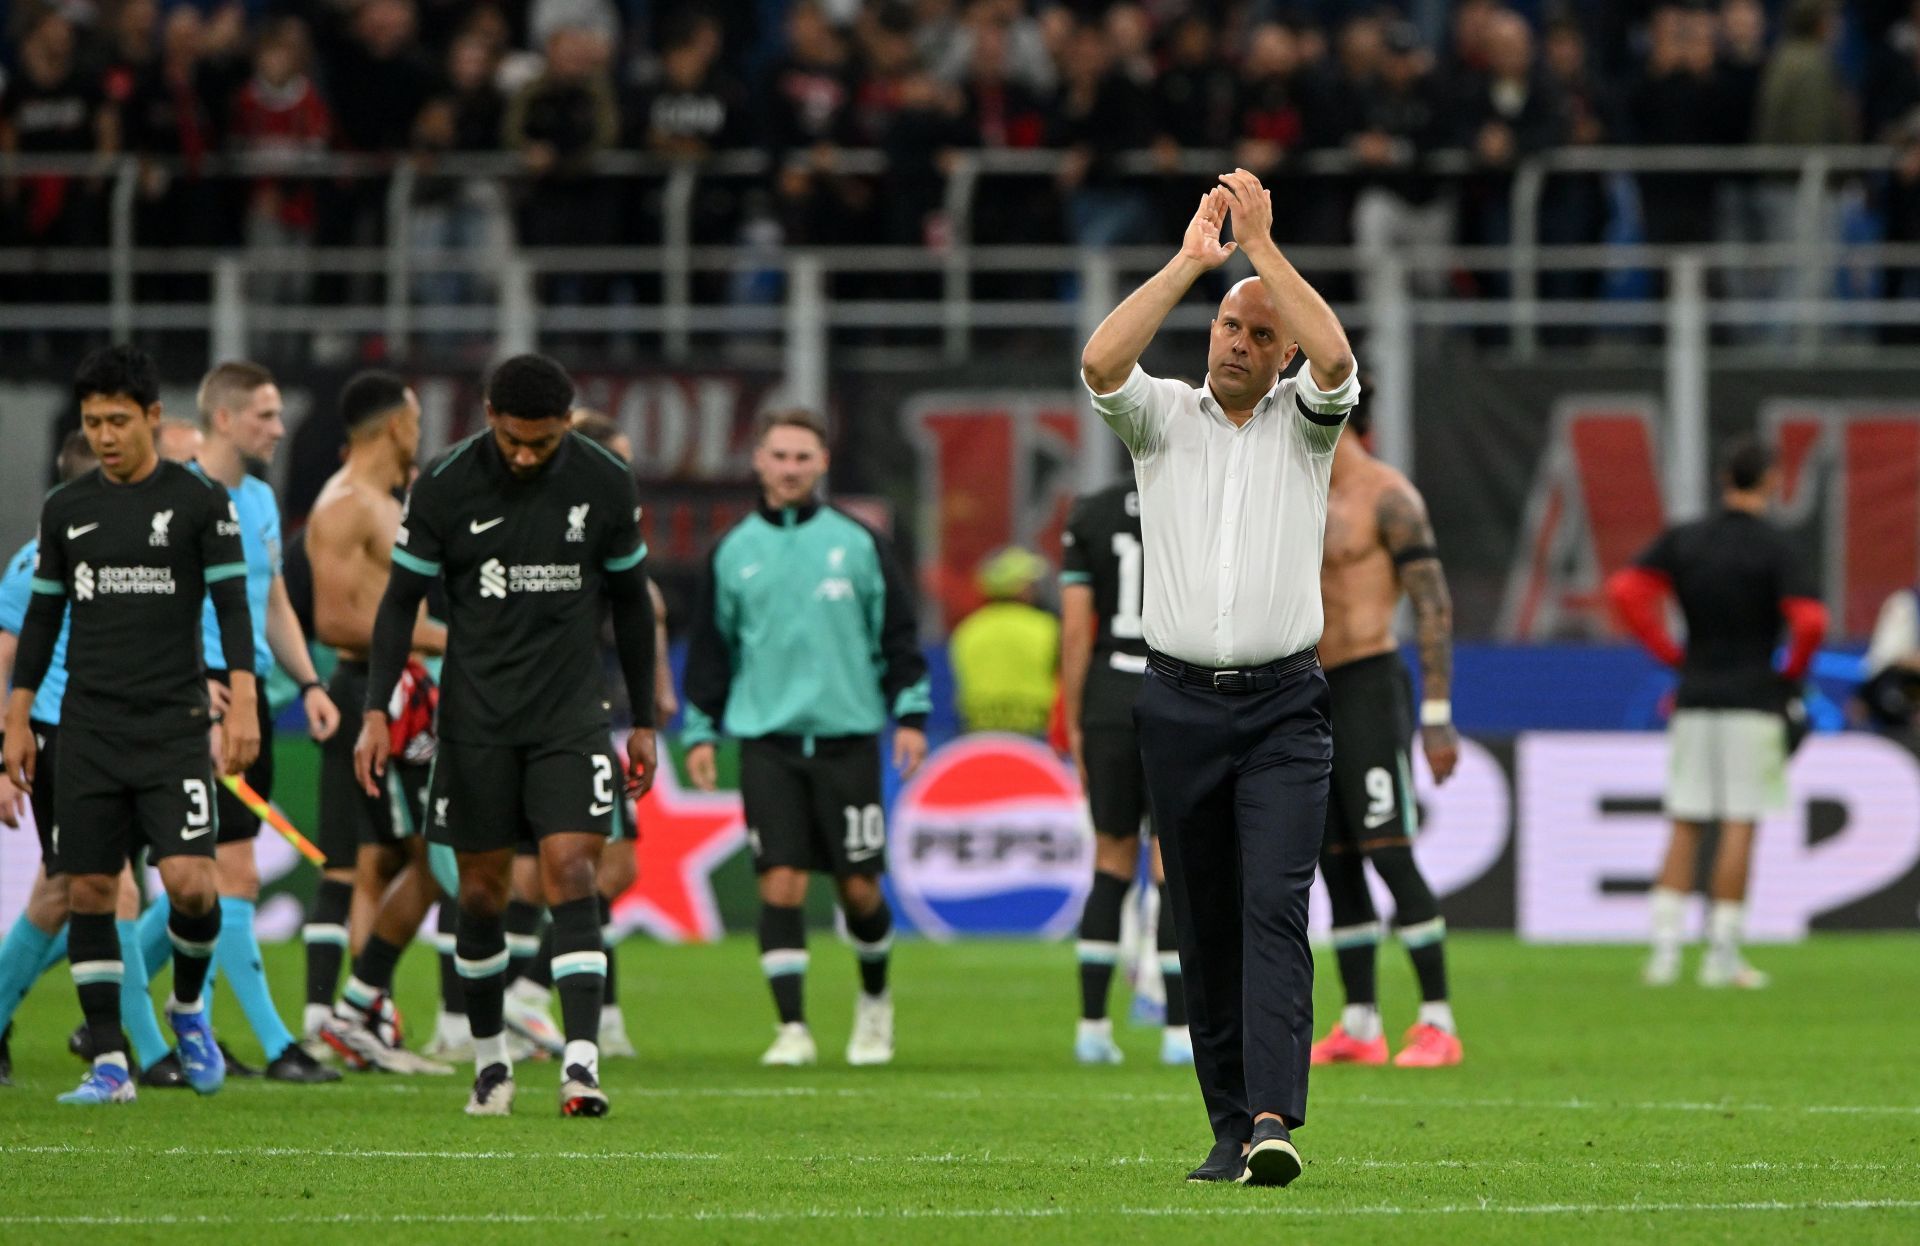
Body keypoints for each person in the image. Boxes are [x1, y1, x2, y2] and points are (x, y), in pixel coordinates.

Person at [1079, 170, 1358, 1187]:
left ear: (1277, 354)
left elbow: (1337, 355)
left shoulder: (1307, 424)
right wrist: (1195, 264)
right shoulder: (1161, 420)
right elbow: (1102, 358)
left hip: (1286, 704)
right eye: (1226, 327)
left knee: (1275, 906)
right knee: (1203, 918)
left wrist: (1264, 254)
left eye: (1254, 332)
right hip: (1179, 703)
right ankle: (1229, 1122)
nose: (1235, 341)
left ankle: (1276, 1114)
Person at [354, 354, 659, 1118]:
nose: (526, 455)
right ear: (489, 415)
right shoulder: (446, 486)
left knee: (572, 872)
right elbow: (398, 606)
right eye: (514, 439)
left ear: (565, 424)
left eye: (543, 443)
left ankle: (582, 1066)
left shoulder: (604, 482)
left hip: (568, 717)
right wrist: (373, 710)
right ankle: (491, 1063)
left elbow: (629, 604)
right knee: (482, 895)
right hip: (475, 723)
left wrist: (645, 719)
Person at [4, 345, 260, 1104]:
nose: (107, 435)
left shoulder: (200, 501)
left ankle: (186, 1009)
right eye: (93, 423)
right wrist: (15, 720)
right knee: (87, 889)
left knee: (189, 883)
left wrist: (242, 699)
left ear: (154, 416)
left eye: (119, 420)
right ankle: (111, 1063)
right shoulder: (67, 509)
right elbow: (43, 620)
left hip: (172, 726)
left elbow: (234, 609)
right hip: (85, 728)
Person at [683, 409, 931, 1069]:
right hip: (769, 744)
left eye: (802, 456)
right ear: (758, 462)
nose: (790, 467)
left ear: (823, 463)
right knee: (781, 884)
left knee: (859, 891)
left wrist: (910, 716)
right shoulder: (732, 552)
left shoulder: (858, 543)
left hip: (848, 741)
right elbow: (711, 651)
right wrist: (701, 730)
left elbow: (899, 635)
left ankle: (875, 1004)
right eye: (779, 455)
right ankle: (792, 1028)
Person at [128, 362, 340, 1084]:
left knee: (221, 875)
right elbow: (154, 605)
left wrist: (308, 680)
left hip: (248, 696)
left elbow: (272, 600)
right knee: (223, 872)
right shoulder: (176, 499)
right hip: (200, 701)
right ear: (224, 418)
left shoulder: (258, 501)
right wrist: (194, 687)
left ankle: (134, 1013)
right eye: (266, 416)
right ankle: (271, 1043)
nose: (279, 429)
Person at [1606, 436, 1828, 990]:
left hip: (1696, 691)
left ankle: (1663, 952)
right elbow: (1810, 621)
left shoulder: (1689, 539)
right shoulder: (1776, 548)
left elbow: (1626, 590)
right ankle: (1721, 953)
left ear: (1725, 478)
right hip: (1755, 695)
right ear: (1772, 481)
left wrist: (1668, 651)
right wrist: (1791, 672)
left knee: (1685, 819)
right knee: (1739, 822)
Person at [0, 433, 187, 1090]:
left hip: (113, 740)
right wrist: (5, 750)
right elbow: (4, 656)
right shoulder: (38, 562)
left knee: (59, 897)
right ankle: (145, 1049)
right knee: (114, 891)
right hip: (59, 741)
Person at [1309, 389, 1464, 1070]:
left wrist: (1436, 715)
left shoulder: (1388, 496)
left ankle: (1437, 1021)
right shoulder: (1292, 491)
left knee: (1388, 848)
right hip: (1306, 690)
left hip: (1370, 684)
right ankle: (1360, 1022)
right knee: (1334, 858)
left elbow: (1432, 608)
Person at [302, 371, 451, 1075]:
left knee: (398, 857)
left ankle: (365, 1016)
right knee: (409, 857)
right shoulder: (343, 506)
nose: (420, 428)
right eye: (416, 417)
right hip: (371, 690)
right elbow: (331, 620)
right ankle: (362, 1017)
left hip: (404, 690)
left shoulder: (385, 502)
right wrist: (448, 639)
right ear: (396, 425)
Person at [1058, 479, 1189, 1067]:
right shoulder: (1199, 496)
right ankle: (1179, 1032)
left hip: (1109, 691)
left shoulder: (1092, 510)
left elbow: (1075, 628)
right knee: (1174, 865)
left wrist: (1077, 719)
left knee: (1110, 860)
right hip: (1176, 687)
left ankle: (1092, 1028)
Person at [949, 546, 1058, 737]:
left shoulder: (968, 630)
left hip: (979, 730)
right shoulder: (1047, 627)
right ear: (1020, 588)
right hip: (1036, 730)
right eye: (1030, 584)